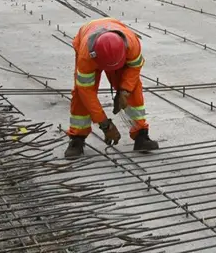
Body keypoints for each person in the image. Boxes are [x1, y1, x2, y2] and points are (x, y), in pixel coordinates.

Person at [65, 18, 158, 158]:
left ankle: (141, 136)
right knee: (80, 95)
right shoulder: (86, 57)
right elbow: (86, 93)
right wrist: (105, 124)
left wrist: (124, 91)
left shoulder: (132, 44)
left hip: (114, 39)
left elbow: (134, 67)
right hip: (88, 37)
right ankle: (77, 138)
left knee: (133, 89)